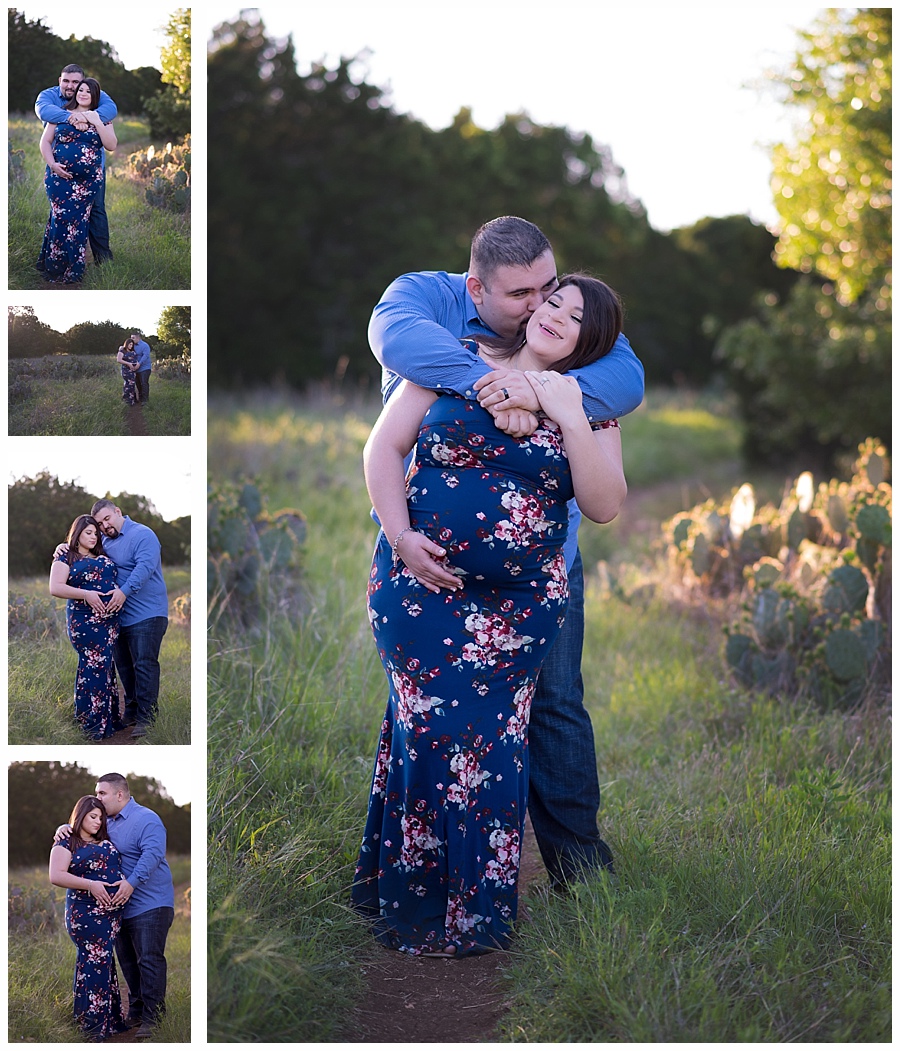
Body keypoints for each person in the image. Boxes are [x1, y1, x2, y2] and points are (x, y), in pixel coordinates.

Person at [352, 273, 628, 956]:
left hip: (519, 612)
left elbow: (604, 502)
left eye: (574, 315)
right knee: (423, 734)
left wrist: (564, 412)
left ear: (589, 341)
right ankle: (410, 904)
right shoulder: (453, 358)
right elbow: (383, 447)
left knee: (494, 747)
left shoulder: (590, 403)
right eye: (552, 300)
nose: (555, 315)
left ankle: (476, 914)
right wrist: (400, 537)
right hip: (418, 590)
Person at [54, 774, 176, 1040]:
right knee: (128, 962)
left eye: (101, 793)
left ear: (119, 795)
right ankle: (135, 1011)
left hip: (150, 903)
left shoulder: (146, 819)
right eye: (96, 794)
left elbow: (153, 855)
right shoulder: (106, 820)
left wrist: (130, 884)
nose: (97, 798)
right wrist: (63, 826)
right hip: (117, 908)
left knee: (149, 960)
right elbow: (84, 828)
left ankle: (154, 1020)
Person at [56, 501, 169, 738]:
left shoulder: (142, 534)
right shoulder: (104, 540)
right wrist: (62, 547)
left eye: (107, 519)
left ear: (118, 512)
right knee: (125, 667)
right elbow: (81, 550)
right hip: (116, 618)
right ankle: (131, 712)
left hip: (147, 614)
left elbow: (144, 568)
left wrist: (124, 591)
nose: (104, 527)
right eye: (99, 524)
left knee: (144, 665)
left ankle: (147, 719)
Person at [49, 795, 130, 1041]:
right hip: (85, 914)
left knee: (100, 962)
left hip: (110, 915)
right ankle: (94, 1029)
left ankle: (107, 1022)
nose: (98, 822)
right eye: (93, 816)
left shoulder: (105, 840)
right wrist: (91, 885)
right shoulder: (66, 843)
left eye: (101, 818)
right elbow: (56, 876)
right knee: (95, 961)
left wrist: (125, 882)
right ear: (80, 815)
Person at [36, 75, 117, 284]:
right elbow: (45, 141)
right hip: (58, 178)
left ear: (95, 96)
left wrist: (95, 120)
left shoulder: (102, 117)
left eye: (88, 91)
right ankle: (53, 266)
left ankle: (74, 268)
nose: (82, 93)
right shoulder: (61, 115)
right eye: (81, 90)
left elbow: (111, 144)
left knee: (79, 222)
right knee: (60, 218)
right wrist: (53, 164)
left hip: (88, 182)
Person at [49, 515, 123, 740]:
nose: (93, 536)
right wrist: (87, 595)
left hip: (109, 622)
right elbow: (55, 587)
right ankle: (95, 726)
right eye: (88, 532)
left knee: (97, 666)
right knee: (96, 666)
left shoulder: (103, 555)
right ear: (77, 533)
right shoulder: (65, 557)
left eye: (95, 533)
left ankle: (95, 716)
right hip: (85, 622)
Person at [130, 332, 153, 403]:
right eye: (131, 338)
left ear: (138, 338)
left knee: (144, 383)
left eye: (133, 338)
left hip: (145, 367)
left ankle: (145, 400)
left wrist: (139, 364)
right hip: (136, 369)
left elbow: (145, 356)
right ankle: (140, 398)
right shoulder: (132, 346)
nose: (131, 339)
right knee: (138, 384)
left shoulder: (145, 345)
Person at [118, 337, 141, 405]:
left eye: (132, 345)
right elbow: (119, 360)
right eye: (130, 344)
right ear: (126, 344)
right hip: (126, 370)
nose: (131, 346)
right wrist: (128, 364)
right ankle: (127, 400)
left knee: (132, 385)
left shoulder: (133, 352)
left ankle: (132, 399)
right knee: (128, 384)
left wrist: (136, 364)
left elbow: (135, 359)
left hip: (133, 370)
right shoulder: (122, 351)